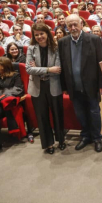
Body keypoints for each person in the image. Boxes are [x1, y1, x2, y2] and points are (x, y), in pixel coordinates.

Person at [58, 14, 102, 152]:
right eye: (69, 25)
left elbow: (101, 63)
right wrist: (64, 87)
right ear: (66, 27)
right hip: (73, 85)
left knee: (94, 112)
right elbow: (62, 65)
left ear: (81, 24)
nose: (73, 28)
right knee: (80, 113)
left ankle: (97, 138)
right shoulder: (63, 42)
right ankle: (85, 136)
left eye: (75, 24)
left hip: (91, 84)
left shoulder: (94, 39)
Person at [26, 23, 65, 154]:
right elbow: (29, 69)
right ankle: (48, 144)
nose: (39, 37)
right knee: (42, 116)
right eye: (36, 34)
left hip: (53, 84)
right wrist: (48, 69)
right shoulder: (31, 48)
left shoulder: (56, 47)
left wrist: (38, 68)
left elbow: (58, 69)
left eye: (41, 33)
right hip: (37, 87)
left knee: (57, 114)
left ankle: (61, 140)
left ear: (47, 33)